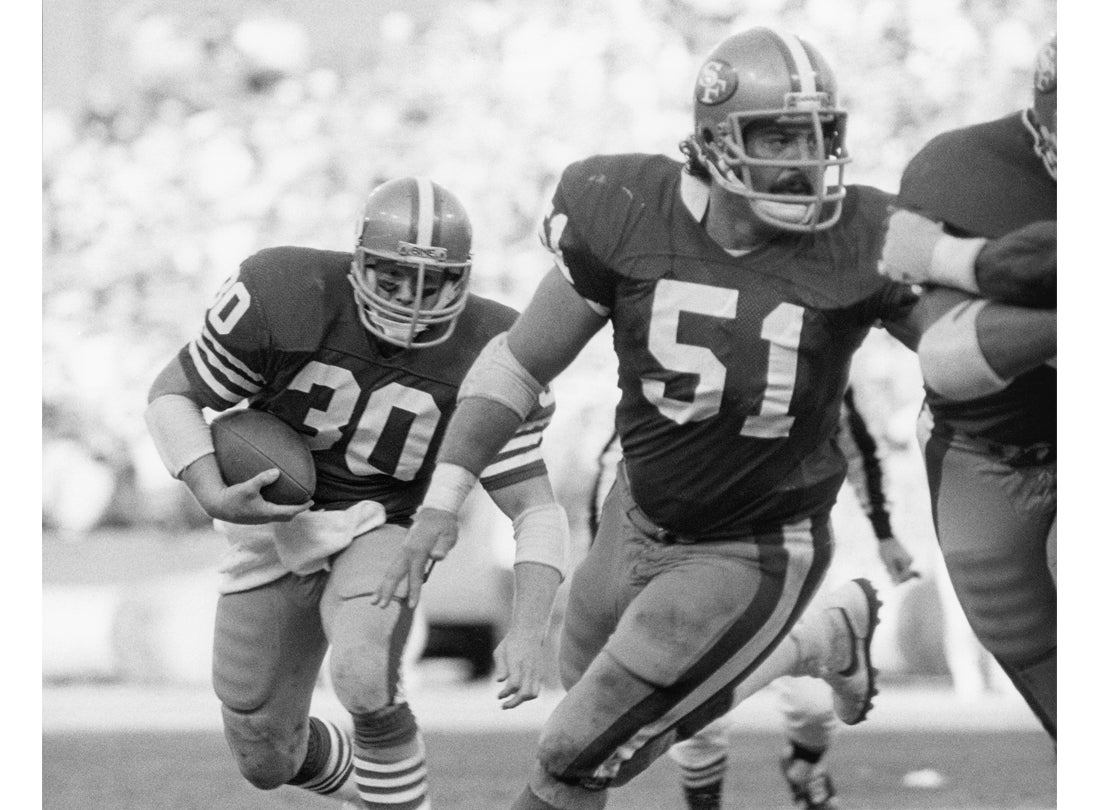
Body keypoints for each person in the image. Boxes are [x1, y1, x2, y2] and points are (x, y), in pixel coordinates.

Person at [375, 27, 1049, 810]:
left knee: (575, 750)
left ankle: (807, 637)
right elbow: (518, 364)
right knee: (585, 716)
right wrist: (442, 499)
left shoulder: (866, 233)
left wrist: (1053, 324)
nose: (802, 159)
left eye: (817, 135)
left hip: (753, 544)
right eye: (778, 136)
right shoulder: (627, 206)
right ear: (715, 139)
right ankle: (820, 641)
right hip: (635, 510)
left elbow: (949, 350)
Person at [143, 177, 568, 810]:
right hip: (278, 525)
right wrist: (210, 490)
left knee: (362, 674)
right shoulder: (283, 292)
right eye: (393, 279)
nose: (410, 300)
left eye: (431, 283)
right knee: (264, 752)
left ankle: (399, 799)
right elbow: (172, 395)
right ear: (359, 263)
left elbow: (535, 508)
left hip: (385, 523)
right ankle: (381, 791)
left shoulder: (496, 349)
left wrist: (529, 626)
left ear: (462, 279)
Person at [877, 36, 1057, 739]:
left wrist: (952, 257)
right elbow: (948, 356)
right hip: (984, 449)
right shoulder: (964, 169)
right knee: (1020, 635)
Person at [665, 385, 917, 810]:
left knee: (814, 704)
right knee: (695, 709)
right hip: (696, 553)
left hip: (792, 550)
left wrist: (885, 532)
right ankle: (703, 803)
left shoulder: (812, 358)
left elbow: (856, 445)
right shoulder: (681, 370)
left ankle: (803, 767)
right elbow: (625, 458)